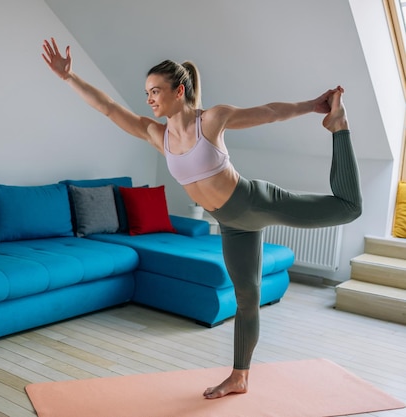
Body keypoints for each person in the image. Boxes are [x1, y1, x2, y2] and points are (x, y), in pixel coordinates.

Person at [42, 37, 362, 399]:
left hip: (256, 201)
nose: (149, 98)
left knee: (348, 207)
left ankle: (339, 126)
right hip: (231, 224)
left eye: (155, 91)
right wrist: (69, 78)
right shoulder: (157, 134)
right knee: (247, 299)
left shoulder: (211, 120)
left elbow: (270, 112)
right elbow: (109, 108)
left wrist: (313, 106)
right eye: (147, 92)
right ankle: (240, 376)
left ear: (179, 91)